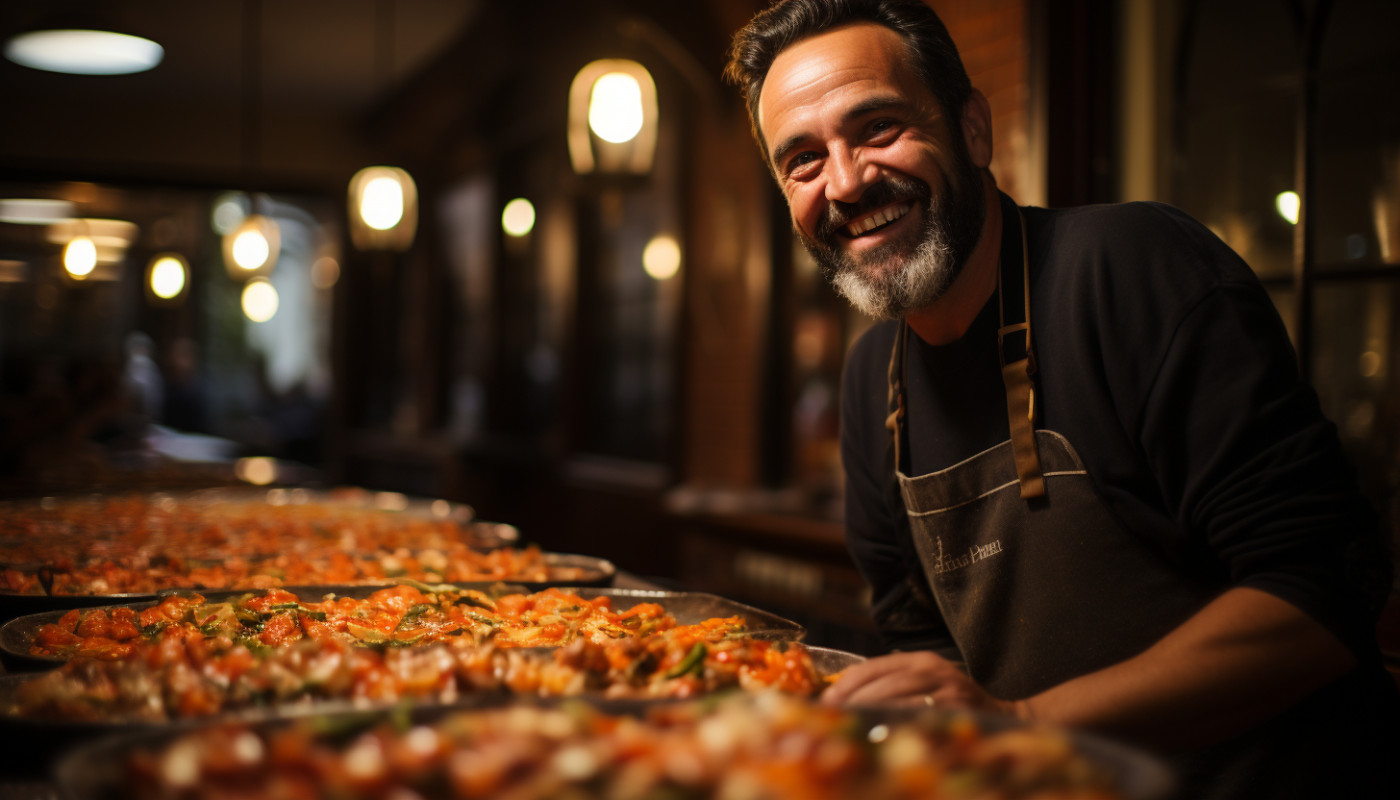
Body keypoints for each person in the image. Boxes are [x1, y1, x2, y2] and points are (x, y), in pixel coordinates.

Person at [725, 1, 1398, 797]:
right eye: (802, 160)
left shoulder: (1134, 268)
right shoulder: (873, 377)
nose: (845, 182)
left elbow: (1323, 592)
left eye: (877, 128)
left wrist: (1029, 722)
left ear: (974, 130)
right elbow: (929, 653)